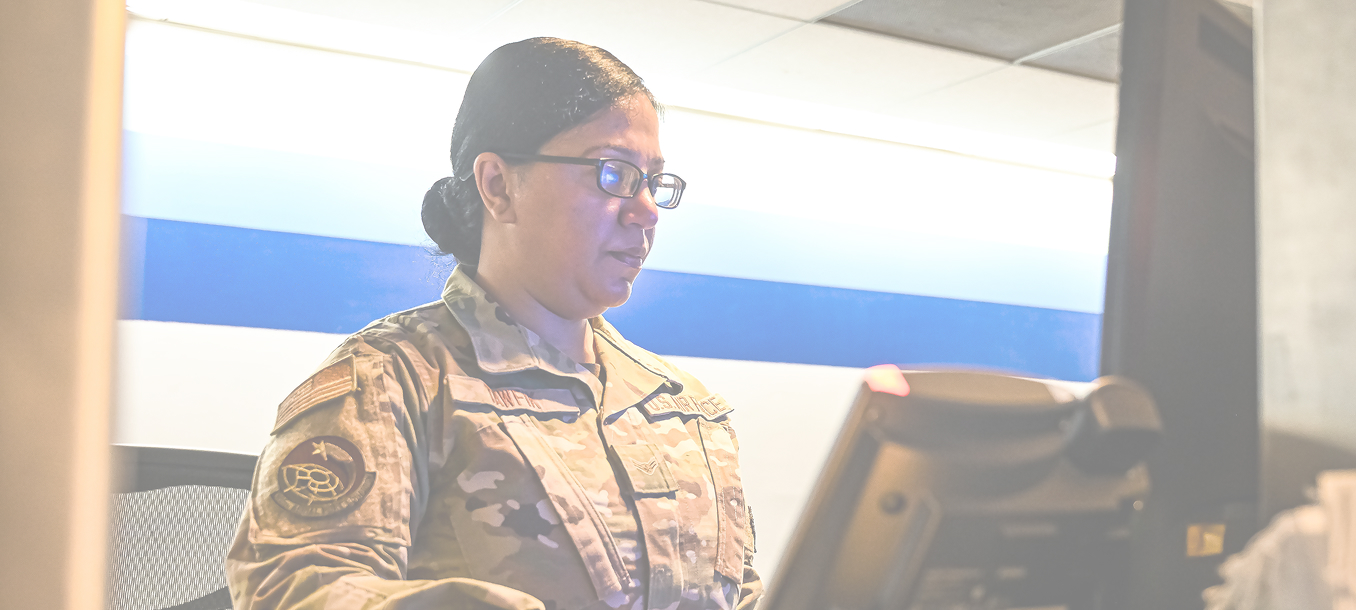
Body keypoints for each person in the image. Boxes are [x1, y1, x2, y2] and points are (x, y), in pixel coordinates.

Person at [226, 37, 761, 610]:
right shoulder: (395, 382)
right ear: (498, 186)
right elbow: (294, 588)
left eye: (653, 182)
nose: (647, 210)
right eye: (614, 173)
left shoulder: (683, 407)